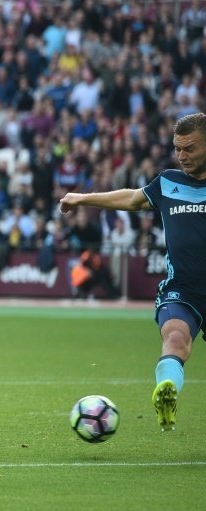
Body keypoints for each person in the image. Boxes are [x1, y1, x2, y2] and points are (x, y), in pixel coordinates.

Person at [59, 112, 206, 432]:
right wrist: (83, 198)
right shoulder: (168, 182)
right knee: (176, 337)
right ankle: (167, 391)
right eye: (178, 149)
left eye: (190, 148)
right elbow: (132, 198)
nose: (182, 156)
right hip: (182, 288)